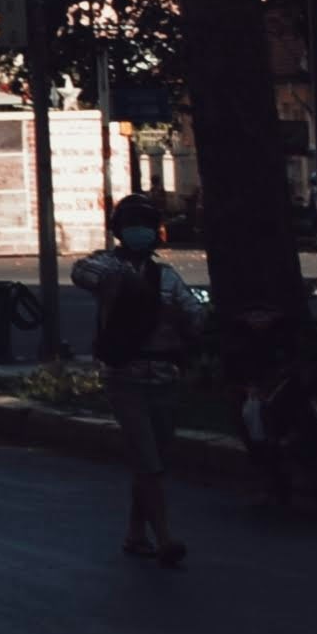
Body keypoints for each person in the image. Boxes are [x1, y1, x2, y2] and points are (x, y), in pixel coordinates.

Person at [71, 191, 201, 566]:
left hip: (164, 375)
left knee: (154, 459)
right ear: (118, 231)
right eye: (132, 226)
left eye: (146, 225)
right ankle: (164, 538)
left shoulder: (168, 277)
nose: (139, 232)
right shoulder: (106, 267)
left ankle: (135, 532)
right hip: (123, 376)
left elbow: (194, 315)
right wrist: (126, 282)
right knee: (147, 459)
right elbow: (83, 273)